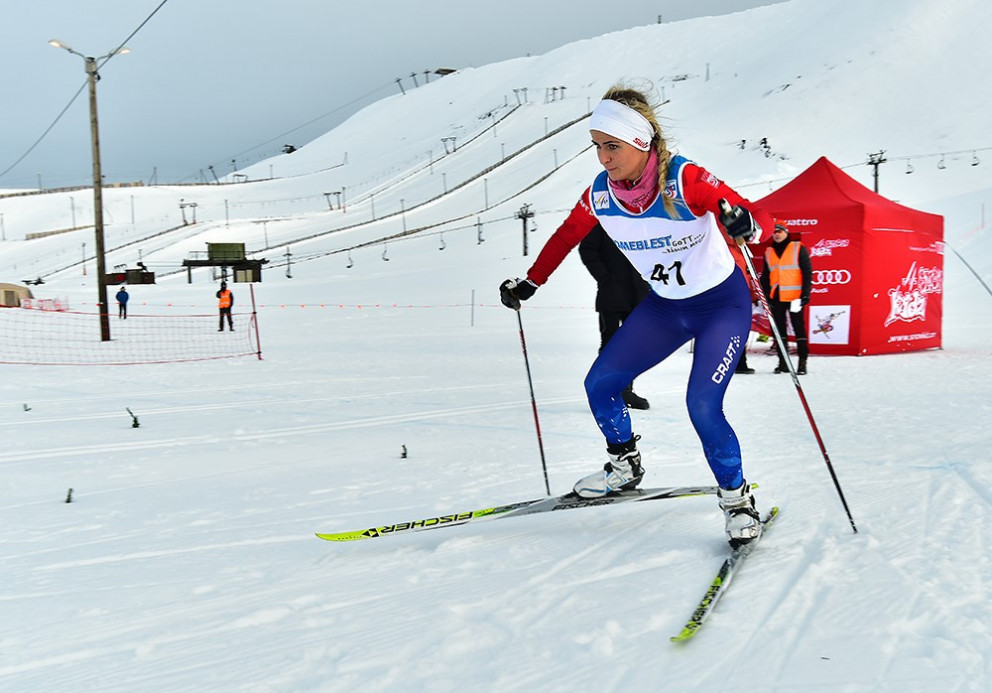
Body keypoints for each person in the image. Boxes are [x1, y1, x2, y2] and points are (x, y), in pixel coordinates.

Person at [499, 85, 773, 546]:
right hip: (665, 308)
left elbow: (752, 214)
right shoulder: (601, 194)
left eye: (612, 146)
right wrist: (532, 281)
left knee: (702, 405)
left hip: (720, 307)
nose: (603, 158)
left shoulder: (686, 181)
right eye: (597, 147)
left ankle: (737, 500)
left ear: (641, 143)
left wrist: (747, 224)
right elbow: (567, 236)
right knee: (600, 384)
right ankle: (625, 464)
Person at [578, 223, 651, 409]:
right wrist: (604, 277)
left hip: (638, 294)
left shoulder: (641, 220)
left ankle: (625, 391)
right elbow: (587, 249)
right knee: (610, 344)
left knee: (632, 346)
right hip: (612, 293)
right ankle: (604, 392)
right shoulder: (602, 221)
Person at [760, 221, 812, 375]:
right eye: (774, 231)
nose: (777, 234)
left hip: (795, 297)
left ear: (786, 232)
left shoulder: (798, 248)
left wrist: (806, 293)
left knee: (798, 329)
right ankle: (783, 362)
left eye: (780, 231)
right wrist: (765, 296)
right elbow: (766, 277)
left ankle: (802, 363)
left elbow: (807, 272)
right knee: (779, 331)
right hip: (776, 297)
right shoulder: (768, 252)